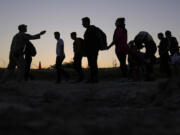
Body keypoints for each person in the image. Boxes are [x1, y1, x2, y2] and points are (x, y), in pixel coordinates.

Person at [82, 17, 100, 83]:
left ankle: (94, 79)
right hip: (92, 50)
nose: (82, 24)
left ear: (87, 22)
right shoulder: (90, 29)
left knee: (93, 64)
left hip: (92, 50)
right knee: (92, 64)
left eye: (83, 22)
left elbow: (90, 41)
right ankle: (93, 78)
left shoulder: (91, 29)